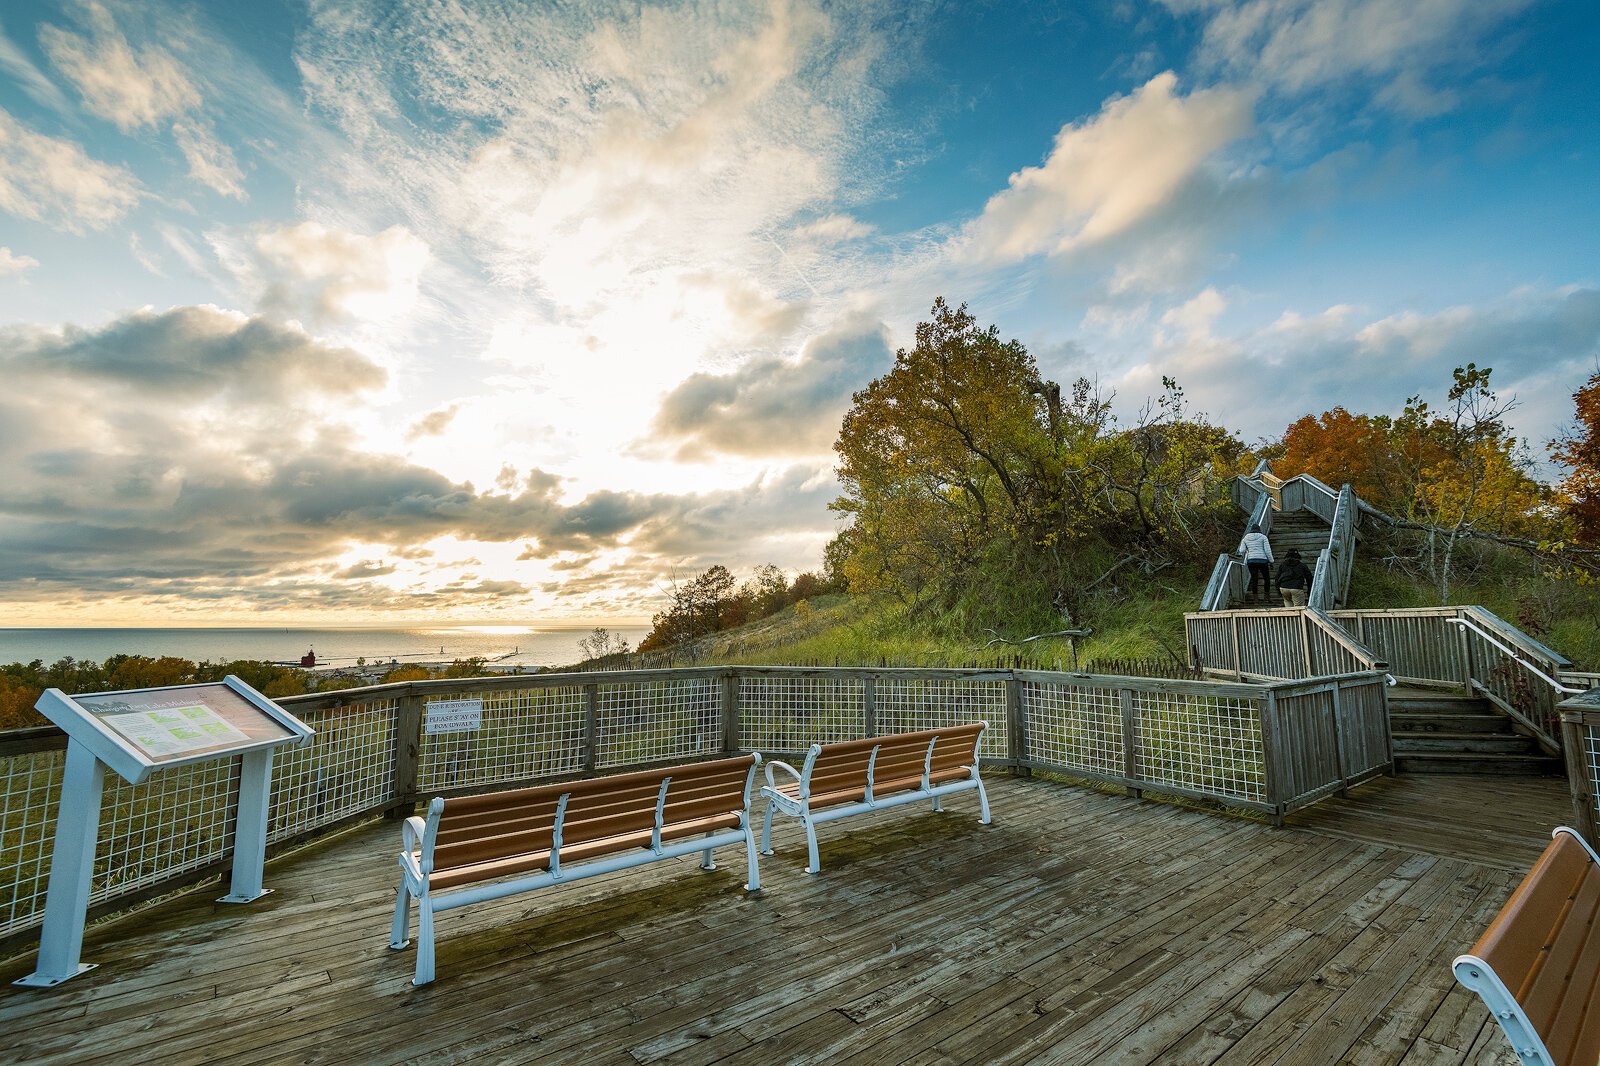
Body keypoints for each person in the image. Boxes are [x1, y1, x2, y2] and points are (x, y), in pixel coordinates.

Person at [1239, 525, 1274, 598]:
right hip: (1263, 561)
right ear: (1259, 529)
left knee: (1254, 579)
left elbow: (1241, 550)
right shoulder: (1263, 537)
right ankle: (1267, 597)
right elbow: (1267, 551)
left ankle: (1255, 599)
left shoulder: (1245, 538)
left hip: (1251, 561)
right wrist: (1271, 561)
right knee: (1266, 578)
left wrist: (1249, 550)